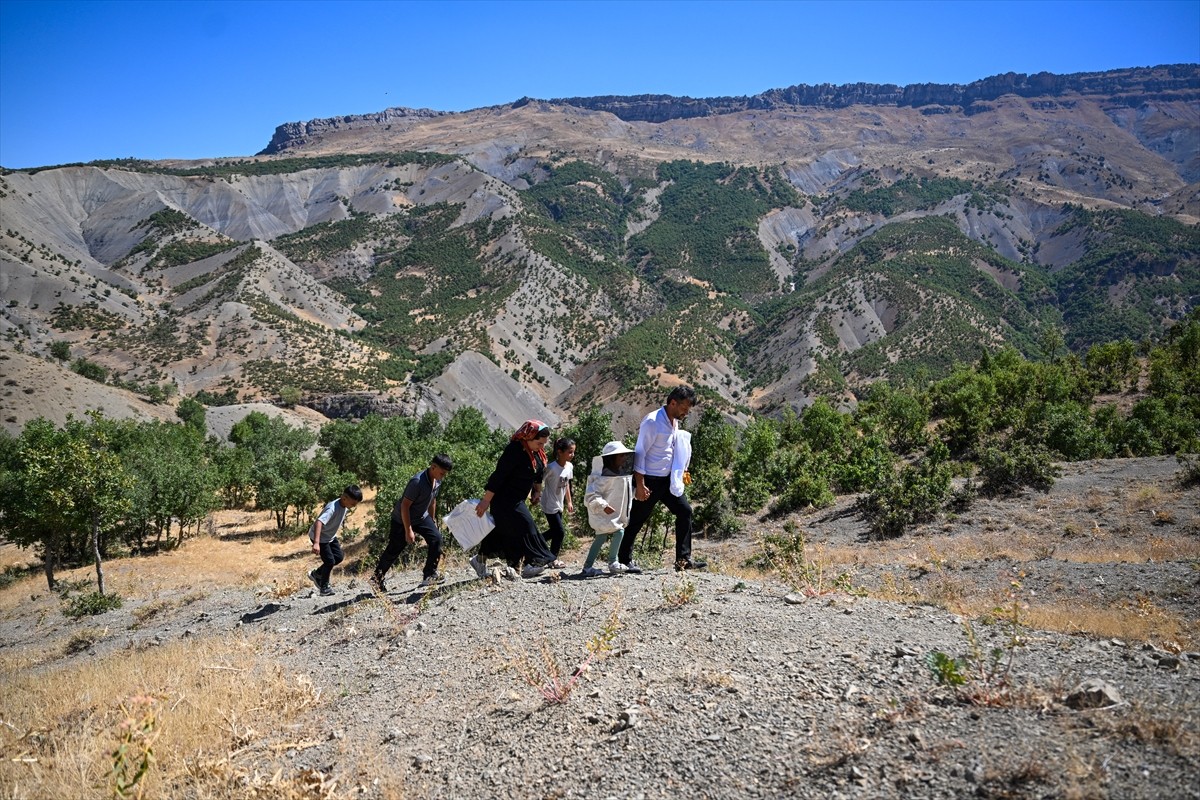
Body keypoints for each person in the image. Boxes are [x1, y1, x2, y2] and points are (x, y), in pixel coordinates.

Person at [617, 386, 706, 572]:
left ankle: (683, 560)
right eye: (684, 408)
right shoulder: (652, 421)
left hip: (667, 481)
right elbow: (640, 453)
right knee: (636, 519)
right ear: (673, 403)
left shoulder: (674, 421)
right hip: (649, 481)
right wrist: (640, 484)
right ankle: (623, 560)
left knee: (685, 511)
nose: (686, 413)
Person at [473, 420, 559, 579]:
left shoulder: (536, 452)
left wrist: (537, 491)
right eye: (539, 443)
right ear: (528, 437)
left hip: (518, 499)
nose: (542, 446)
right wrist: (485, 501)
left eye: (544, 443)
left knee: (503, 532)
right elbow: (498, 476)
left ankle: (481, 560)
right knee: (527, 525)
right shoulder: (514, 450)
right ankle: (533, 562)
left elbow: (538, 473)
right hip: (503, 499)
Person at [371, 454, 453, 592]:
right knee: (394, 549)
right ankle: (376, 579)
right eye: (442, 473)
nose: (443, 476)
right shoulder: (417, 482)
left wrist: (432, 520)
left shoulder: (437, 480)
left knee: (436, 539)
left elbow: (432, 500)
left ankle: (429, 575)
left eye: (445, 474)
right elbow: (405, 506)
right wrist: (408, 530)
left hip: (421, 517)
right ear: (433, 467)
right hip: (402, 519)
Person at [580, 441, 634, 578]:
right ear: (612, 458)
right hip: (602, 514)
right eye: (621, 455)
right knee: (607, 534)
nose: (624, 458)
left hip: (615, 514)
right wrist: (603, 506)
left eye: (625, 455)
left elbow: (625, 492)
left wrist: (637, 493)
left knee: (614, 533)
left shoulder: (622, 474)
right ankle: (600, 565)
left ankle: (604, 564)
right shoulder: (600, 477)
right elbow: (591, 495)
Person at [307, 485, 363, 596]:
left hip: (330, 537)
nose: (353, 506)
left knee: (338, 557)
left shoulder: (344, 505)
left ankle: (317, 574)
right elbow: (319, 522)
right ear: (344, 498)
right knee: (329, 561)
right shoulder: (332, 508)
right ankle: (324, 587)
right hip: (320, 537)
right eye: (353, 504)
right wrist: (316, 543)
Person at [540, 437, 576, 558]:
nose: (572, 455)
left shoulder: (569, 466)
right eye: (570, 452)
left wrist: (569, 502)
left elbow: (566, 484)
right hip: (549, 503)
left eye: (573, 452)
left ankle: (534, 542)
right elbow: (538, 481)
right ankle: (552, 558)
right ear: (560, 452)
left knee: (555, 531)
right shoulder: (551, 468)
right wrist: (535, 494)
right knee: (559, 532)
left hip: (559, 503)